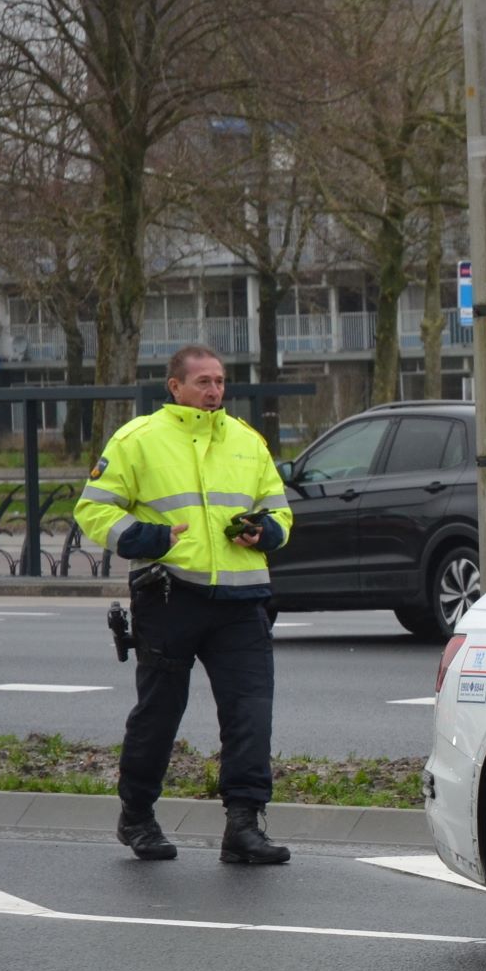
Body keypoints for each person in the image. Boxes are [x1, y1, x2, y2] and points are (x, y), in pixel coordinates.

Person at [75, 346, 294, 864]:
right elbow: (93, 509)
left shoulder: (247, 441)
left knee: (250, 716)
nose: (214, 391)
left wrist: (267, 531)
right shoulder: (138, 440)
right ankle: (137, 817)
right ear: (175, 387)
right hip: (169, 595)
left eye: (220, 381)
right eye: (203, 382)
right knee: (160, 713)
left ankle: (244, 826)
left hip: (242, 599)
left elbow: (280, 508)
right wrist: (144, 537)